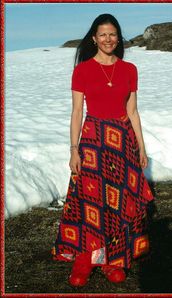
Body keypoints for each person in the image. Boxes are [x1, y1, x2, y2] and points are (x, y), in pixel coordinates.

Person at [51, 13, 154, 287]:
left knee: (119, 203)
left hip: (122, 144)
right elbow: (76, 113)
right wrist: (74, 150)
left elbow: (133, 112)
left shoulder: (129, 69)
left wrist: (141, 148)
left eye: (112, 34)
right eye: (103, 34)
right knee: (89, 200)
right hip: (93, 141)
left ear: (117, 37)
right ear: (94, 38)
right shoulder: (82, 69)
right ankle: (84, 259)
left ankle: (112, 260)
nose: (108, 39)